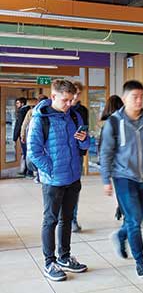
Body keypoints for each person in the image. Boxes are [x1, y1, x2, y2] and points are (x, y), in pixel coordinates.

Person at [100, 80, 143, 279]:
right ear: (124, 99)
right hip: (123, 177)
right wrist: (106, 179)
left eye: (141, 97)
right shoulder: (114, 122)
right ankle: (141, 262)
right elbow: (106, 152)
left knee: (137, 218)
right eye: (134, 97)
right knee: (135, 221)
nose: (139, 101)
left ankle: (120, 236)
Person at [28, 80, 89, 282]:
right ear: (53, 96)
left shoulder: (74, 114)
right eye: (65, 100)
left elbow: (86, 143)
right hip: (53, 180)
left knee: (67, 219)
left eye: (72, 99)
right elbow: (34, 152)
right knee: (51, 220)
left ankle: (64, 257)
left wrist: (84, 139)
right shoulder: (40, 119)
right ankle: (49, 262)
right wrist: (51, 170)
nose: (69, 103)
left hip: (73, 177)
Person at [98, 95, 124, 221]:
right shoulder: (124, 121)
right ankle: (121, 208)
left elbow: (102, 146)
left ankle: (120, 208)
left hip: (113, 161)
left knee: (119, 186)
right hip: (124, 160)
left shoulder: (107, 124)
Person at [69, 81, 89, 233]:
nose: (76, 96)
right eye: (73, 92)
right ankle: (64, 218)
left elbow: (85, 133)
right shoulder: (63, 109)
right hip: (63, 154)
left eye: (78, 93)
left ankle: (73, 219)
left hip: (77, 153)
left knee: (75, 188)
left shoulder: (82, 110)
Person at [21, 95, 48, 183]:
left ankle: (39, 176)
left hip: (35, 138)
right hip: (46, 139)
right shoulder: (50, 112)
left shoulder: (32, 112)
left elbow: (24, 125)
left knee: (36, 155)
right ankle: (41, 176)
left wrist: (23, 136)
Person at [13, 97, 32, 177]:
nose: (17, 105)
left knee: (26, 153)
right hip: (28, 134)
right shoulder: (28, 110)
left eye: (18, 103)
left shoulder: (22, 111)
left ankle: (28, 172)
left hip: (23, 135)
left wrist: (15, 137)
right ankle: (26, 170)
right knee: (26, 153)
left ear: (22, 103)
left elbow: (20, 125)